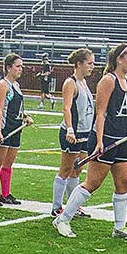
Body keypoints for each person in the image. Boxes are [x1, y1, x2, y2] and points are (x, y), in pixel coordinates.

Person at [57, 43, 127, 239]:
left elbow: (123, 111)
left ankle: (119, 227)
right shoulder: (108, 80)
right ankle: (62, 219)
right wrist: (98, 141)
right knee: (93, 183)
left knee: (124, 182)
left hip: (122, 139)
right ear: (119, 59)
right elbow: (101, 113)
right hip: (106, 139)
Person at [52, 48, 97, 234]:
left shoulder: (84, 82)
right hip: (73, 133)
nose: (92, 67)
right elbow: (67, 108)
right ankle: (56, 206)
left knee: (77, 169)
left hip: (85, 133)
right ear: (79, 64)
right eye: (89, 63)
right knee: (66, 169)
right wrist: (70, 129)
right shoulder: (71, 83)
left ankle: (73, 205)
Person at [0, 52, 26, 207]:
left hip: (15, 128)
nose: (21, 69)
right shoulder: (3, 85)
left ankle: (5, 194)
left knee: (8, 163)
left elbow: (17, 108)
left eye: (21, 66)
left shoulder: (16, 85)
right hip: (4, 128)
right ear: (9, 68)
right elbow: (0, 110)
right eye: (18, 66)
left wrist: (25, 116)